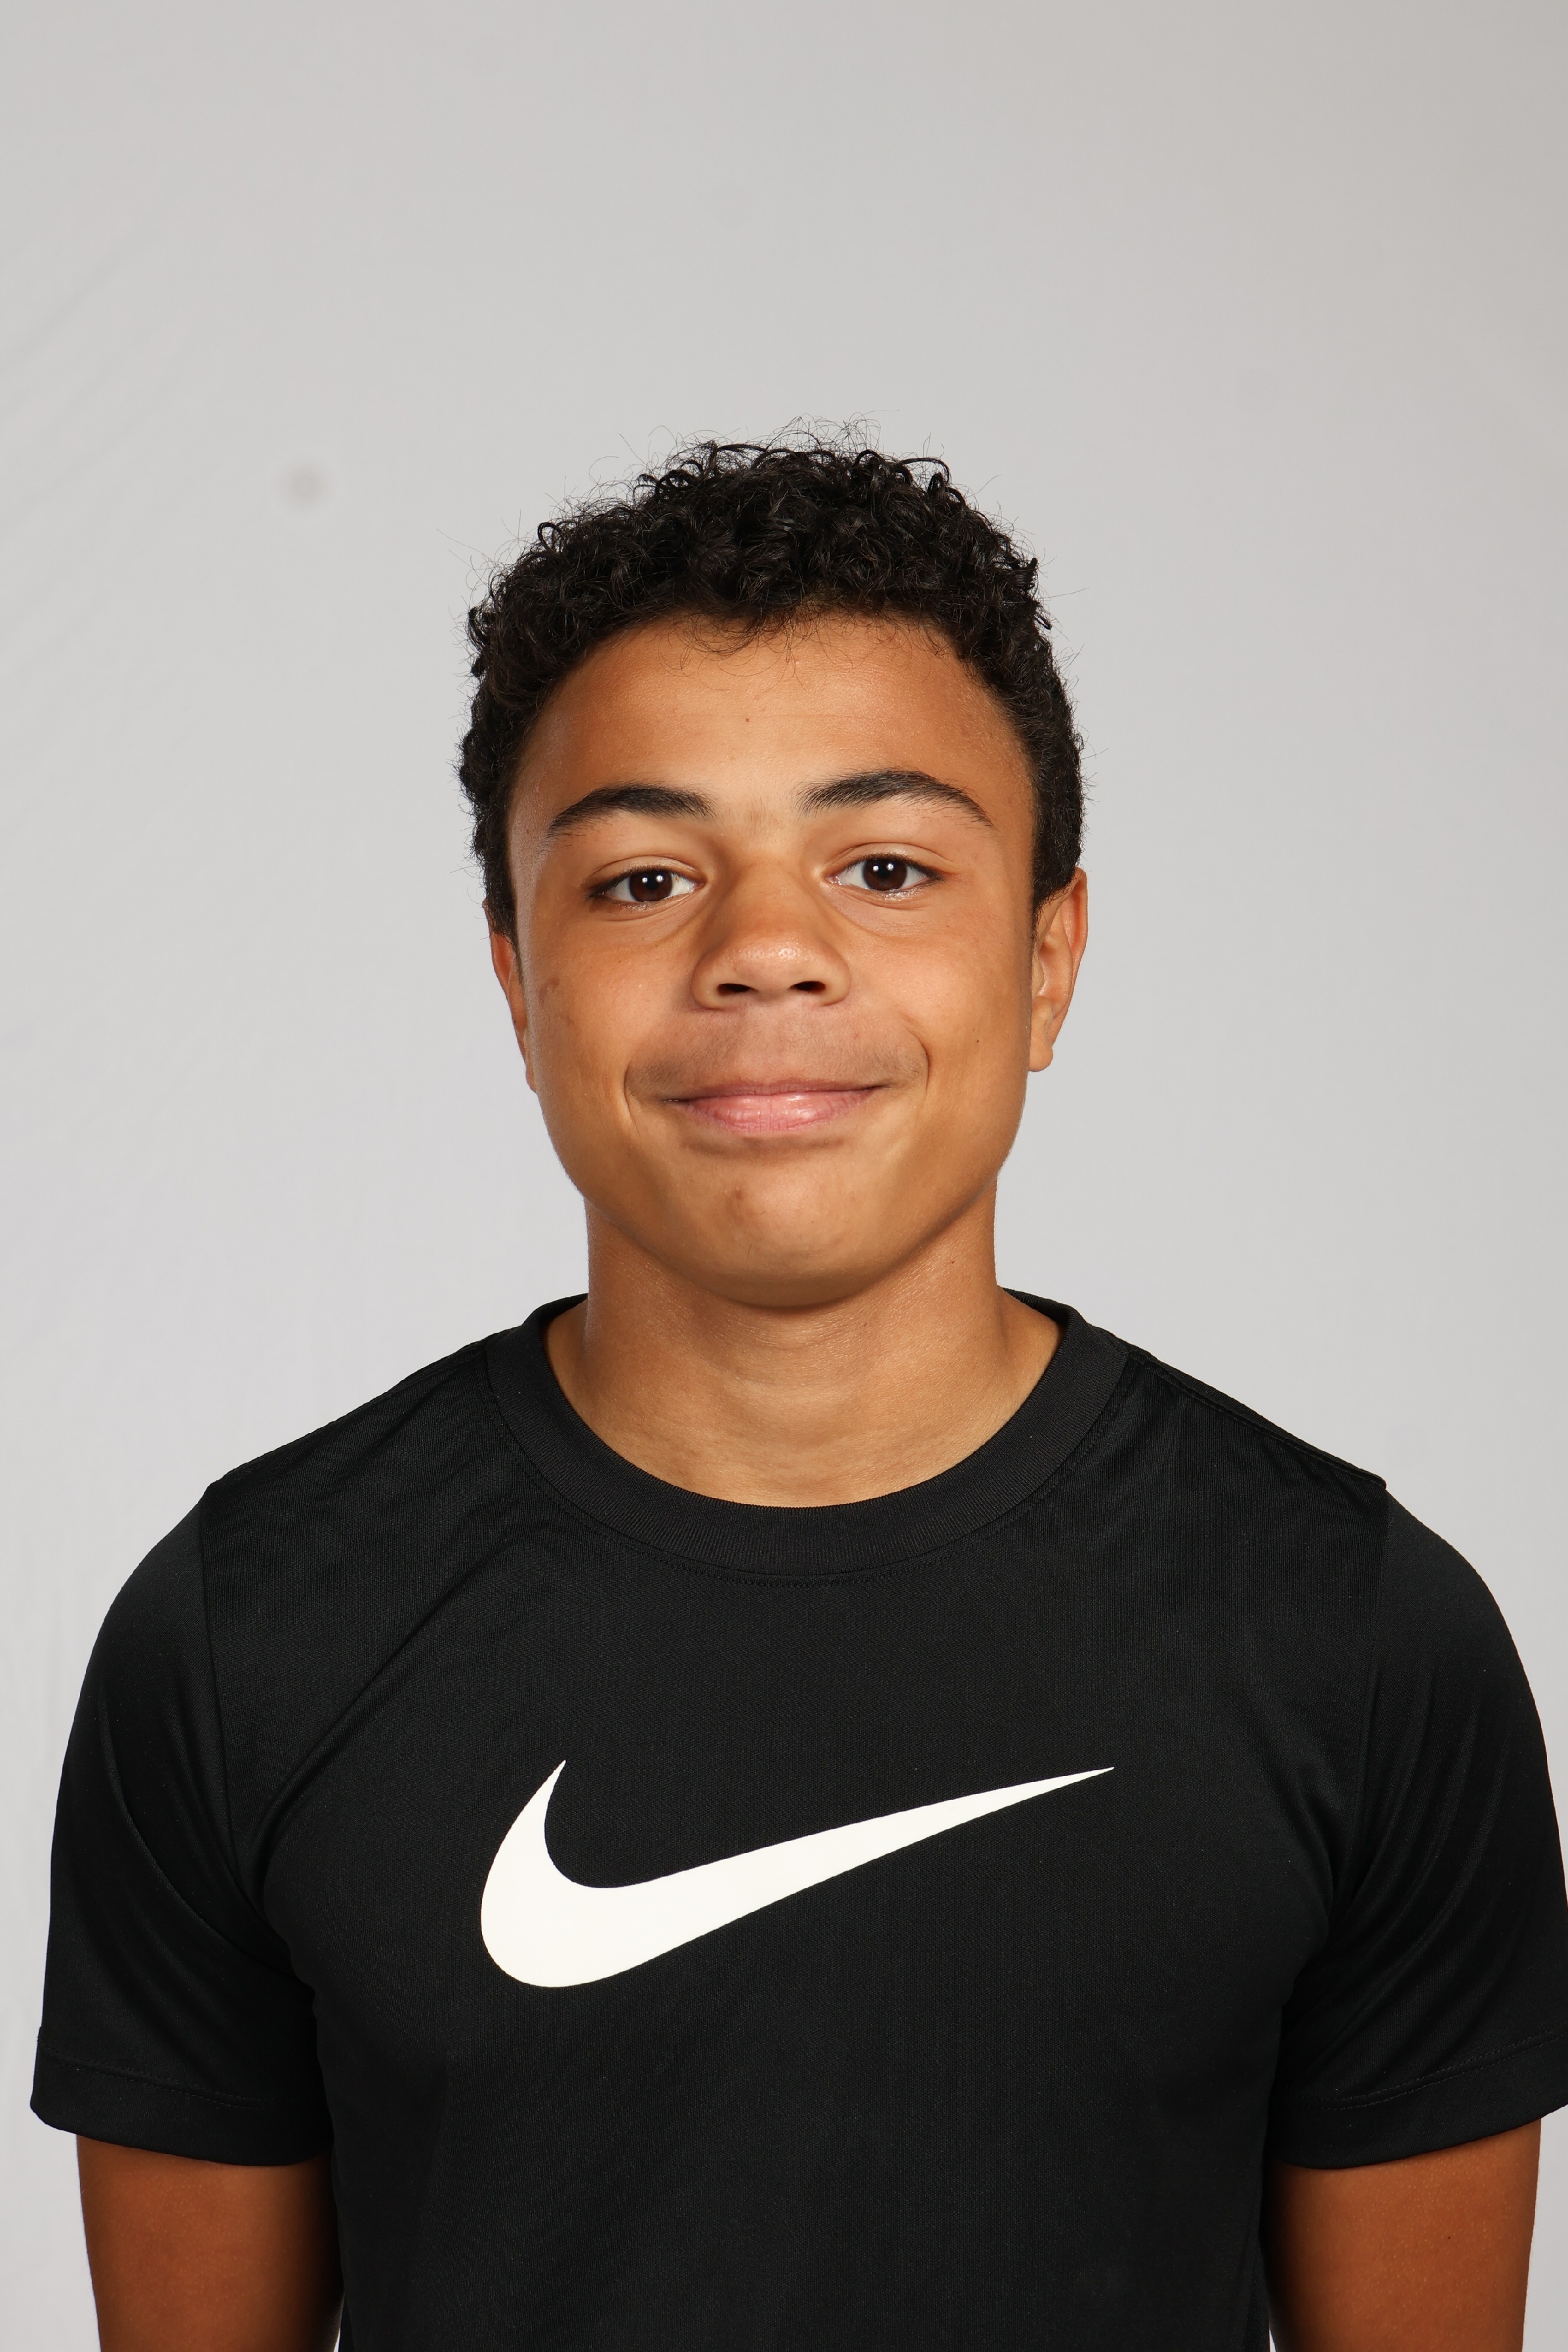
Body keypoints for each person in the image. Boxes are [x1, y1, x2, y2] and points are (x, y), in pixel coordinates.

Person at [33, 438, 1568, 2352]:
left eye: (887, 867)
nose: (765, 949)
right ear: (517, 980)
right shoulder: (250, 1631)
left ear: (1049, 956)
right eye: (645, 877)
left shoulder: (1358, 1637)